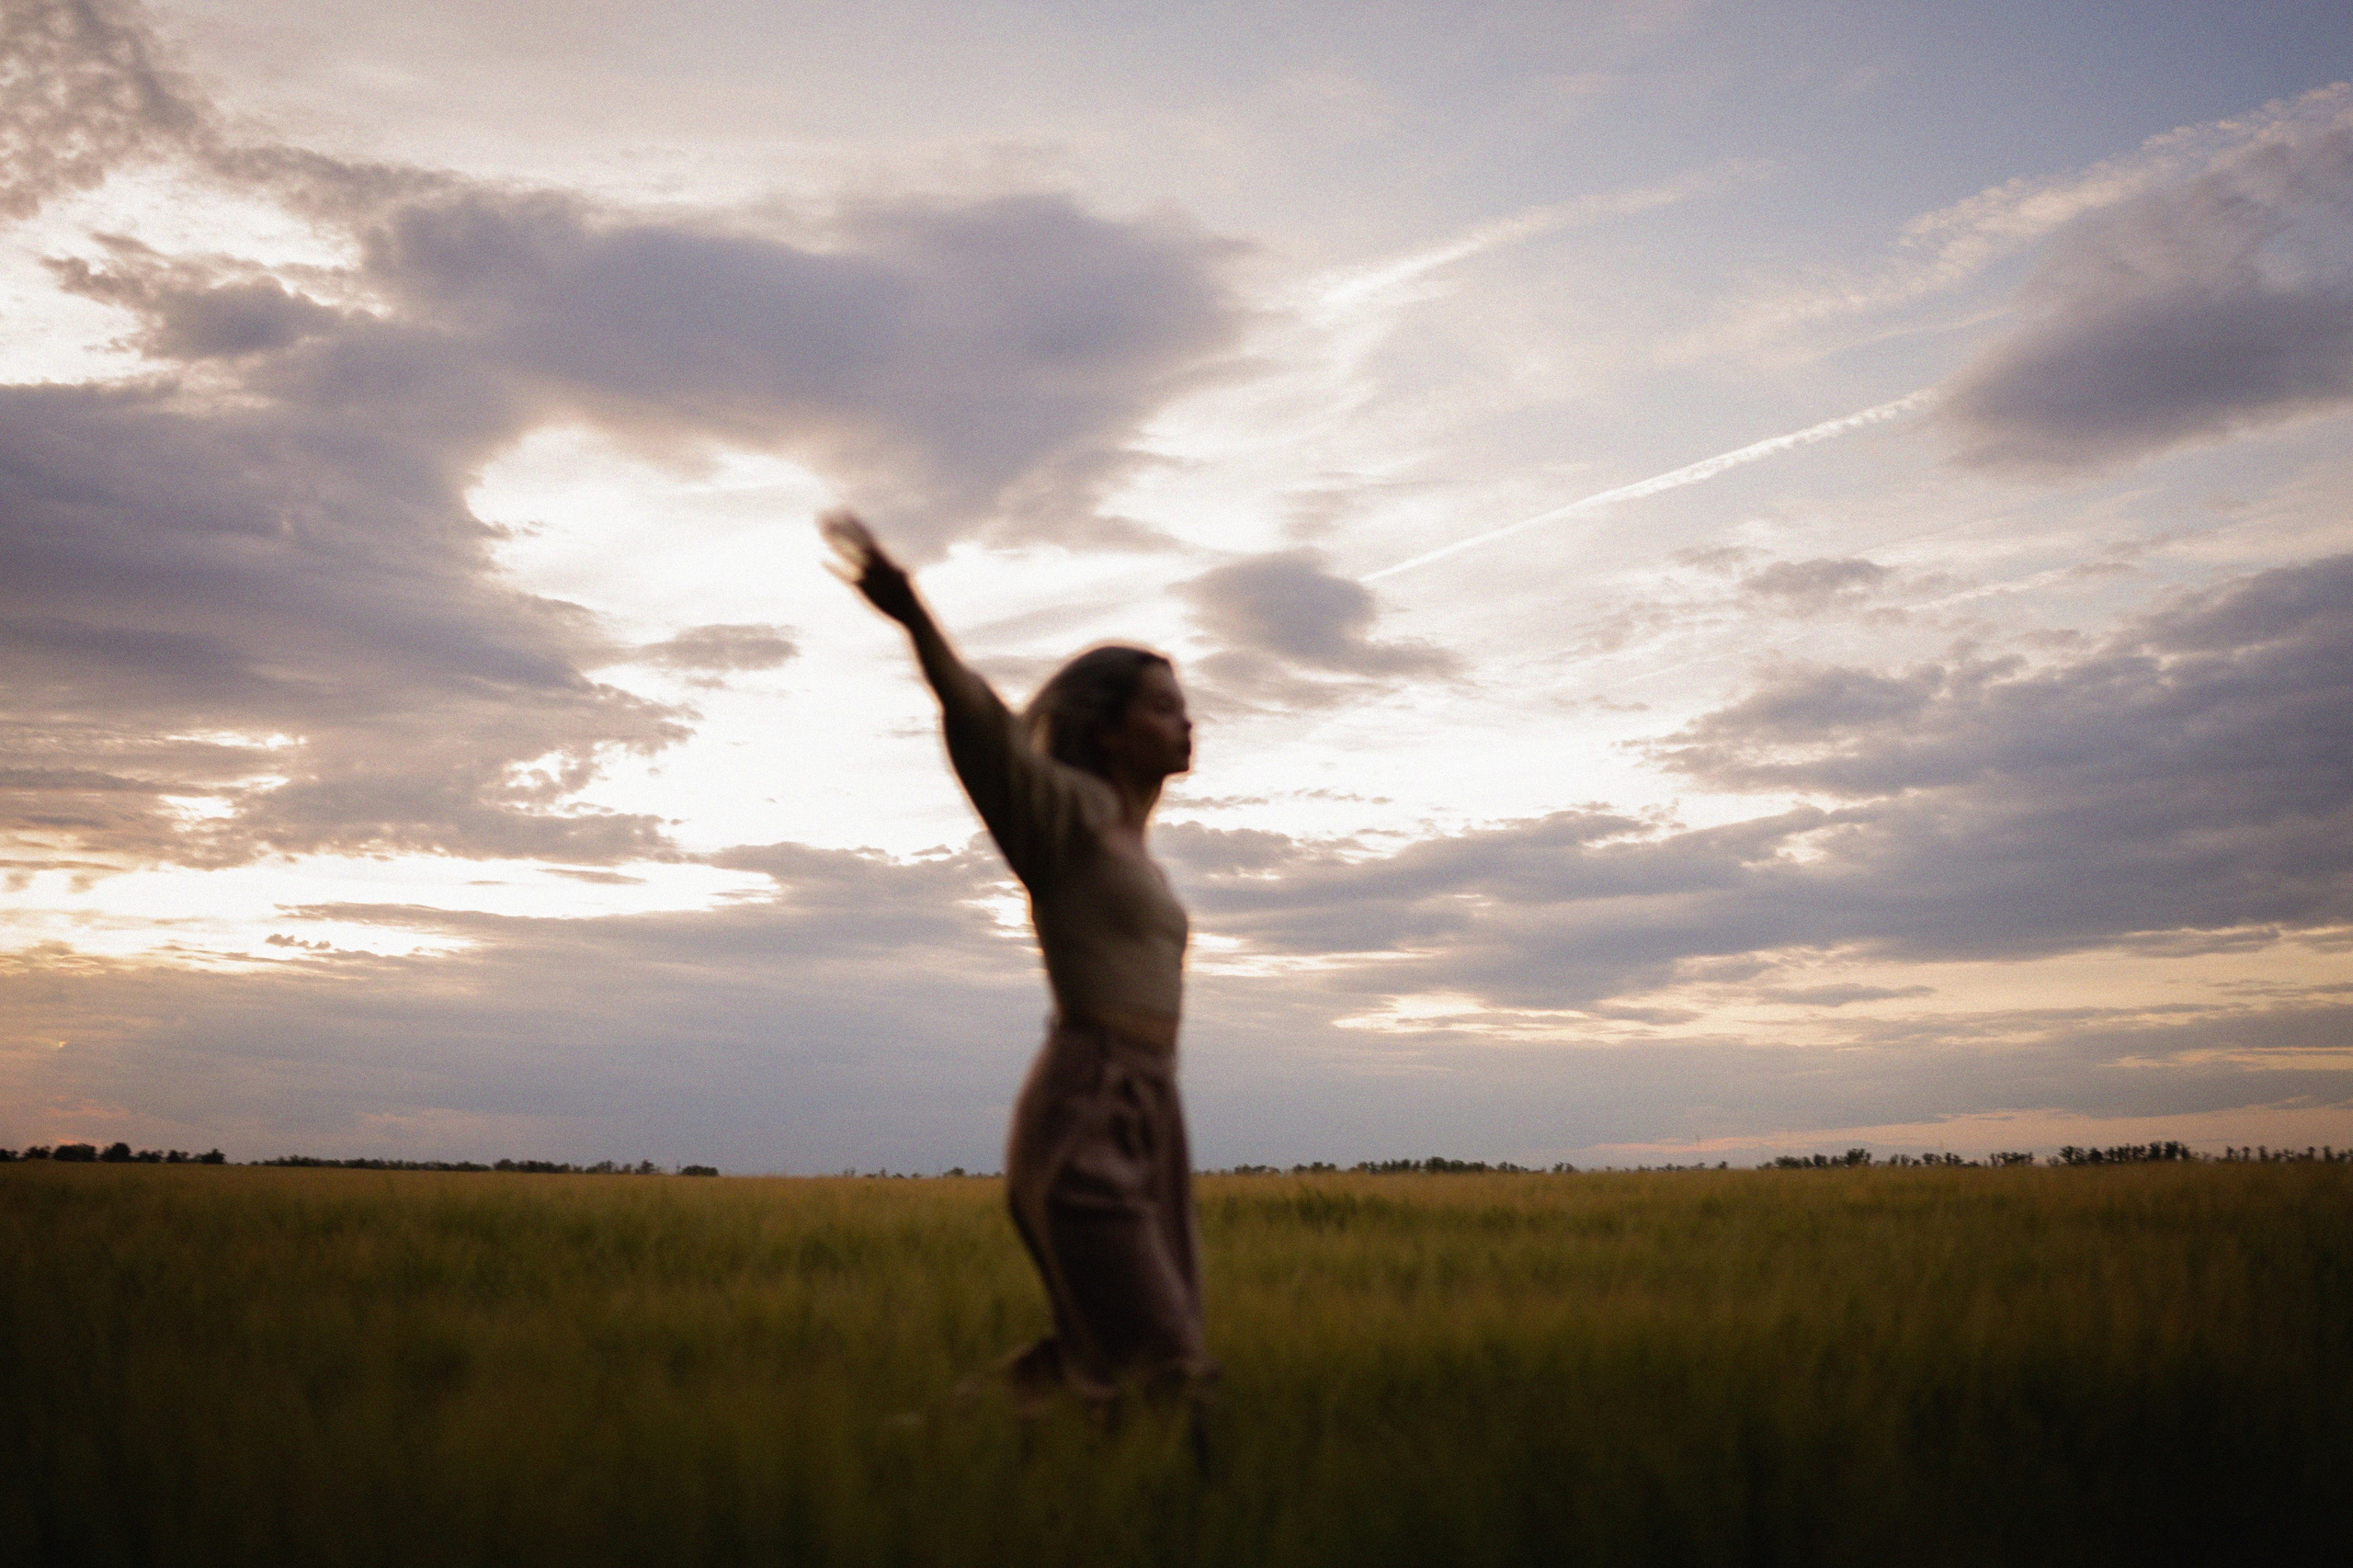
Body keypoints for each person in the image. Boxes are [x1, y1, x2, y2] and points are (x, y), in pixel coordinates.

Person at [821, 509, 1213, 1416]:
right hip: (1089, 1097)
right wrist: (915, 616)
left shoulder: (1134, 843)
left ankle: (920, 1445)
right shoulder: (1064, 816)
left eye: (1183, 703)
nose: (1185, 719)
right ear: (1108, 729)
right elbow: (984, 728)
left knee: (1098, 1357)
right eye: (1162, 706)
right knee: (1166, 1366)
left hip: (1152, 1105)